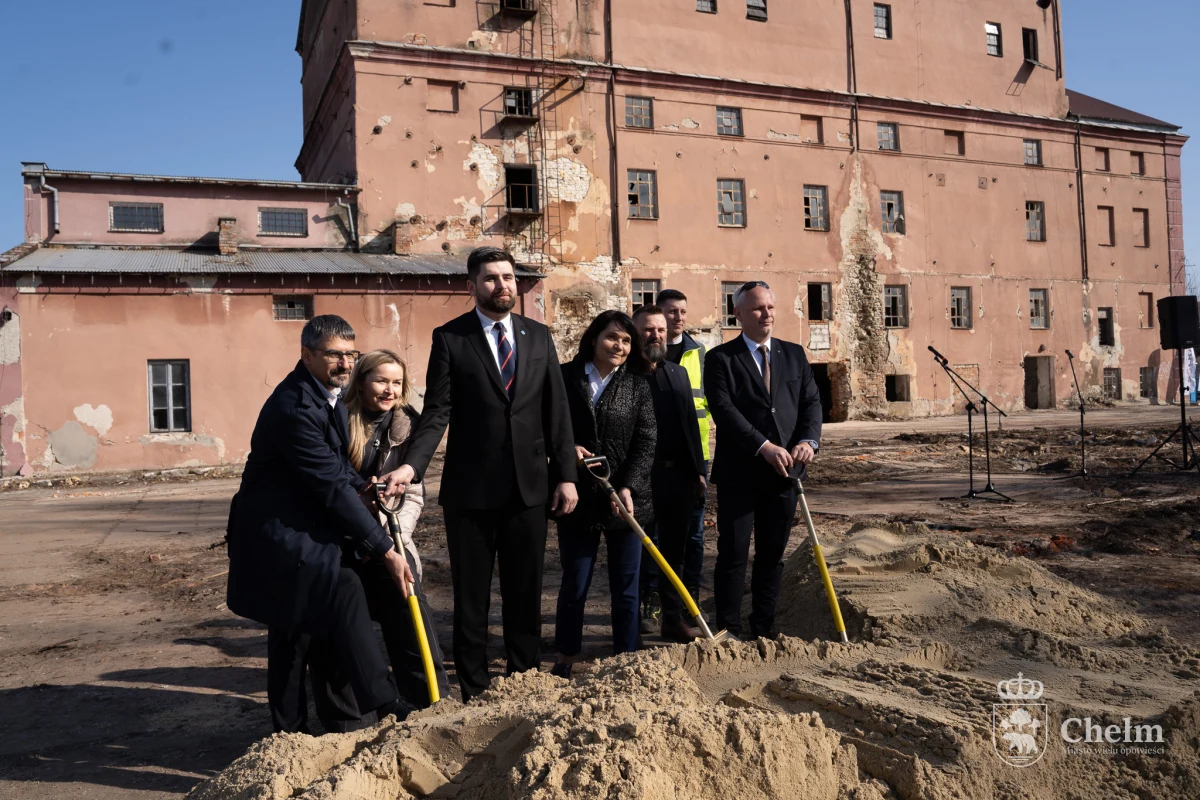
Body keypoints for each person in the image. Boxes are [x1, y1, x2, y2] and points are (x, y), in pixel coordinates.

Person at [383, 247, 578, 701]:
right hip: (470, 492)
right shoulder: (451, 338)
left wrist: (566, 475)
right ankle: (474, 689)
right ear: (472, 287)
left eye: (508, 277)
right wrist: (412, 467)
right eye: (490, 279)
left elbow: (557, 411)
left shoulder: (538, 336)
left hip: (529, 489)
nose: (502, 286)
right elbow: (437, 412)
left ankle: (524, 679)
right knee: (472, 598)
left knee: (525, 593)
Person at [226, 315, 408, 734]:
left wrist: (368, 485)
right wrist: (384, 548)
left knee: (296, 628)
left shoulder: (325, 396)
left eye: (350, 354)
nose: (345, 363)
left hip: (302, 528)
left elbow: (338, 469)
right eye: (334, 354)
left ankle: (295, 730)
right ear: (307, 355)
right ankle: (375, 705)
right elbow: (329, 486)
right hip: (278, 534)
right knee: (314, 611)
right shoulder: (294, 407)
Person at [704, 281, 822, 640]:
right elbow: (724, 411)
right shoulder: (720, 359)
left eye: (770, 307)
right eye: (758, 308)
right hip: (740, 474)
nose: (766, 314)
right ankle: (729, 628)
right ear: (737, 313)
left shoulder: (794, 354)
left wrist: (808, 440)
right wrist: (764, 446)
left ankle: (764, 628)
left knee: (772, 556)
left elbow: (811, 404)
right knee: (734, 554)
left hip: (784, 474)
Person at [343, 348, 451, 708]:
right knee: (347, 625)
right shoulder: (338, 420)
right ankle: (365, 708)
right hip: (340, 541)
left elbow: (414, 495)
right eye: (380, 380)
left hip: (389, 537)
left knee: (410, 608)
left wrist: (393, 539)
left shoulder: (407, 426)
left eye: (396, 382)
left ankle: (432, 702)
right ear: (361, 381)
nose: (389, 390)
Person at [552, 310, 657, 676]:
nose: (620, 346)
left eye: (627, 341)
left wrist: (627, 486)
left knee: (627, 588)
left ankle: (626, 658)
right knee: (574, 583)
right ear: (594, 338)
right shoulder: (564, 377)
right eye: (613, 337)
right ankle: (565, 658)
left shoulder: (638, 386)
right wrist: (567, 451)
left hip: (625, 502)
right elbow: (547, 427)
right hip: (577, 500)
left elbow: (646, 441)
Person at [637, 288, 712, 635]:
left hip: (679, 475)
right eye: (652, 329)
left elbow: (689, 424)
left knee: (678, 548)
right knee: (641, 549)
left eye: (661, 331)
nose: (660, 333)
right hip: (640, 478)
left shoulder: (679, 371)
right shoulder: (627, 374)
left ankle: (673, 618)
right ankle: (641, 614)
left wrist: (698, 472)